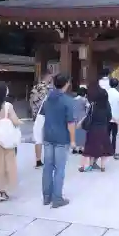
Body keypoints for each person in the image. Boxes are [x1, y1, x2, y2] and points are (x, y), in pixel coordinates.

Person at [42, 73, 75, 208]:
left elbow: (44, 115)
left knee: (48, 167)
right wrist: (73, 140)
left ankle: (46, 197)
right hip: (62, 138)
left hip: (48, 136)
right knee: (59, 169)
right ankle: (57, 198)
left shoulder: (48, 98)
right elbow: (71, 123)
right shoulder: (68, 100)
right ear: (66, 84)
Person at [79, 85, 113, 172]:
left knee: (90, 147)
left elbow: (89, 116)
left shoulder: (93, 105)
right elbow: (109, 117)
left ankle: (87, 165)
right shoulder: (107, 105)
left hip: (92, 129)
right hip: (103, 129)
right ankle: (103, 166)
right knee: (103, 148)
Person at [29, 70, 53, 168]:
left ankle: (38, 161)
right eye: (51, 77)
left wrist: (34, 114)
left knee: (38, 139)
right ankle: (49, 160)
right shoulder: (47, 89)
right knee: (48, 138)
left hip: (37, 116)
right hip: (45, 115)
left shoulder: (35, 88)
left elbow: (31, 102)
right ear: (47, 77)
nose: (51, 79)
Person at [73, 86, 89, 155]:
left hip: (74, 117)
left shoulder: (73, 99)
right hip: (82, 117)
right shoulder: (84, 100)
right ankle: (81, 148)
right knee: (82, 133)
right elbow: (89, 107)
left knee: (75, 132)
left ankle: (74, 148)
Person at [107, 78, 119, 153]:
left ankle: (106, 149)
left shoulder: (106, 93)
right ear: (117, 85)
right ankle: (113, 149)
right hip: (116, 117)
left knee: (106, 134)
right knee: (115, 135)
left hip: (106, 117)